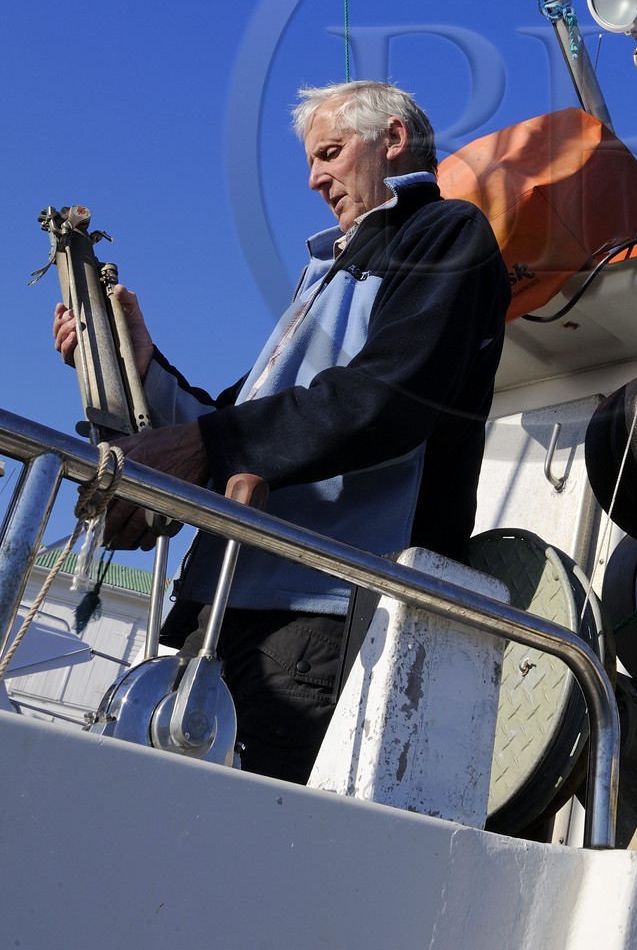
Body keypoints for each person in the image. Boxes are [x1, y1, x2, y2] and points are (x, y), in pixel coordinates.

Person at [54, 80, 510, 782]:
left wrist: (209, 446)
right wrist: (142, 368)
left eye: (330, 153)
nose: (314, 179)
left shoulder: (446, 234)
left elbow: (388, 398)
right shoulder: (324, 274)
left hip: (322, 615)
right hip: (227, 606)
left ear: (393, 140)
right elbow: (234, 423)